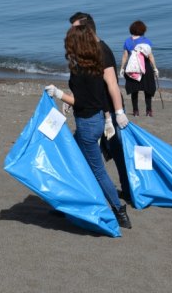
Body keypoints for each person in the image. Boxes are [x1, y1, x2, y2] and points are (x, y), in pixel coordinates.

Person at [44, 19, 131, 229]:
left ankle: (119, 210)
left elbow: (82, 101)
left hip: (87, 125)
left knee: (96, 169)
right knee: (74, 160)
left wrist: (59, 95)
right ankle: (67, 204)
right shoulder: (94, 66)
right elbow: (100, 97)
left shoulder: (80, 70)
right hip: (98, 120)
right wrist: (109, 117)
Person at [69, 12, 131, 202]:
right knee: (84, 151)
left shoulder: (102, 50)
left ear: (87, 29)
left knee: (118, 151)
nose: (72, 33)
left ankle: (128, 192)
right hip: (95, 108)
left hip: (109, 110)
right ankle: (86, 195)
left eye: (76, 29)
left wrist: (118, 113)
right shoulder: (87, 51)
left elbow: (112, 85)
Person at [118, 20, 159, 117]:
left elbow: (125, 56)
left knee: (134, 91)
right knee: (148, 90)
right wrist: (155, 68)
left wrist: (122, 68)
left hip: (133, 68)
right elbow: (150, 56)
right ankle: (149, 111)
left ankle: (135, 111)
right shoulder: (146, 41)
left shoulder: (128, 41)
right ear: (143, 30)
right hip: (145, 68)